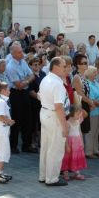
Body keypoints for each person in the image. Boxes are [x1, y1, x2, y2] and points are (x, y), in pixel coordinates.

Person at [38, 57, 69, 186]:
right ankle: (51, 178)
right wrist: (65, 125)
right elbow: (59, 106)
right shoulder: (57, 83)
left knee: (46, 146)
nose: (66, 68)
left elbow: (40, 95)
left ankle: (44, 175)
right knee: (55, 148)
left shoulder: (46, 79)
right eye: (63, 66)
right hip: (54, 115)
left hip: (45, 113)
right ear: (55, 67)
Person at [6, 44, 36, 154]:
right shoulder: (10, 66)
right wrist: (27, 80)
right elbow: (18, 85)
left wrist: (26, 81)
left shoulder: (22, 62)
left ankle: (26, 145)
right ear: (13, 54)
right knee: (16, 119)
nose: (22, 53)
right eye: (19, 52)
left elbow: (32, 75)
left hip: (24, 93)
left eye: (21, 51)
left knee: (27, 119)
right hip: (15, 94)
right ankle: (13, 145)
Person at [0, 82, 15, 183]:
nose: (10, 91)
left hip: (3, 128)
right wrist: (9, 121)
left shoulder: (1, 101)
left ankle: (0, 172)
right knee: (1, 151)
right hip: (0, 129)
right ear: (2, 91)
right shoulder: (0, 102)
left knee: (3, 150)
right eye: (8, 89)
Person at [61, 102, 87, 181]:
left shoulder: (78, 122)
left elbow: (80, 132)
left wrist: (82, 142)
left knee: (76, 157)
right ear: (71, 113)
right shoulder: (68, 124)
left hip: (77, 142)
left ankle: (76, 171)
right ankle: (65, 172)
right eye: (78, 114)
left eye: (80, 114)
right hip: (70, 142)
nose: (80, 116)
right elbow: (65, 136)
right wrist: (67, 146)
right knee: (68, 157)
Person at [84, 66, 99, 158]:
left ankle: (95, 150)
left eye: (96, 72)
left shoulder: (96, 82)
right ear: (88, 73)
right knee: (91, 132)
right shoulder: (87, 83)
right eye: (94, 72)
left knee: (96, 132)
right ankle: (89, 152)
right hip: (93, 111)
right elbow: (92, 99)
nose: (96, 74)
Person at [72, 54, 93, 134]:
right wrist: (90, 102)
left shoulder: (83, 76)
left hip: (85, 104)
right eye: (84, 63)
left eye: (86, 62)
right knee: (80, 131)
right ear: (78, 65)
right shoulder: (77, 77)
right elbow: (80, 94)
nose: (86, 64)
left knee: (84, 131)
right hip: (81, 105)